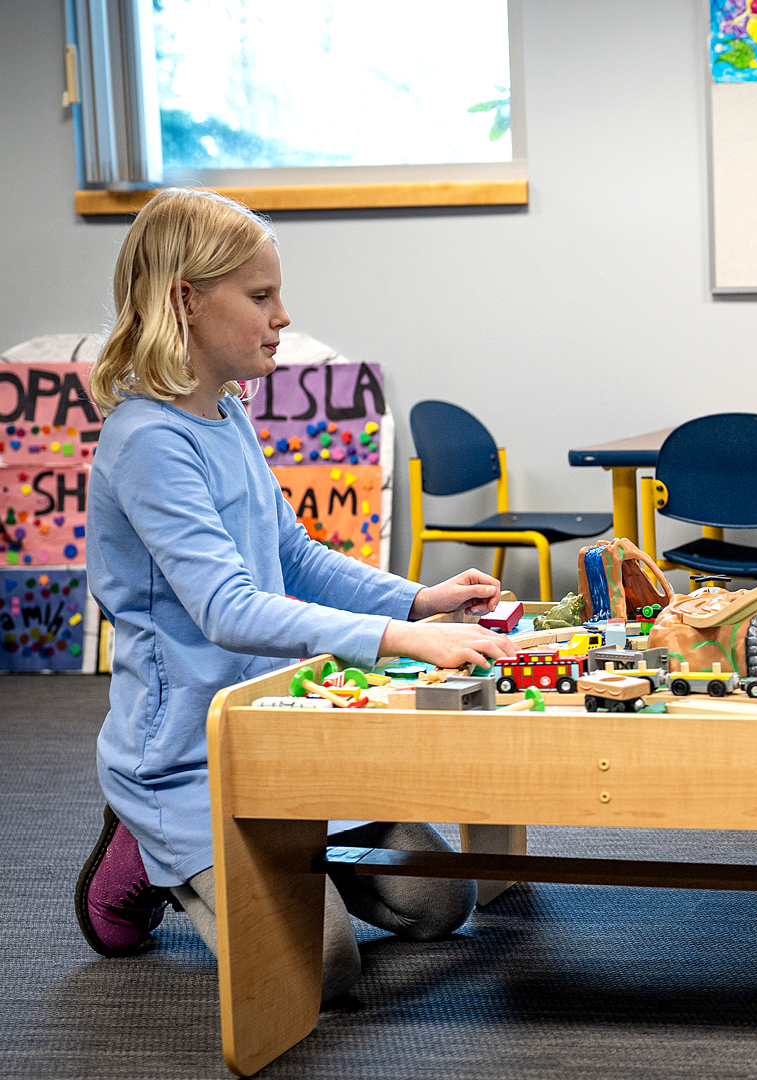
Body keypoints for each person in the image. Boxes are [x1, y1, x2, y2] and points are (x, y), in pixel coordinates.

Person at [72, 188, 519, 1003]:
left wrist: (418, 601)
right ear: (186, 300)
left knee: (437, 905)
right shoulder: (145, 441)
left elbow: (294, 556)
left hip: (282, 731)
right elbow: (229, 608)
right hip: (189, 757)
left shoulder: (228, 413)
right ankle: (142, 842)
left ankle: (279, 851)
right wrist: (400, 642)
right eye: (260, 295)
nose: (282, 316)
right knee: (321, 970)